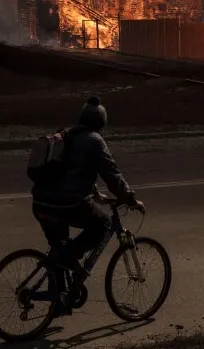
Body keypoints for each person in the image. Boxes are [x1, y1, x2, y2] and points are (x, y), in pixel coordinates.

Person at [32, 96, 144, 286]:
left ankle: (58, 301)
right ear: (101, 123)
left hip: (41, 201)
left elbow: (71, 171)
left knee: (59, 248)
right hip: (66, 204)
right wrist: (130, 198)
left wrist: (95, 194)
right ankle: (68, 257)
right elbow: (112, 175)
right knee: (105, 224)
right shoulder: (94, 140)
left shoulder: (67, 134)